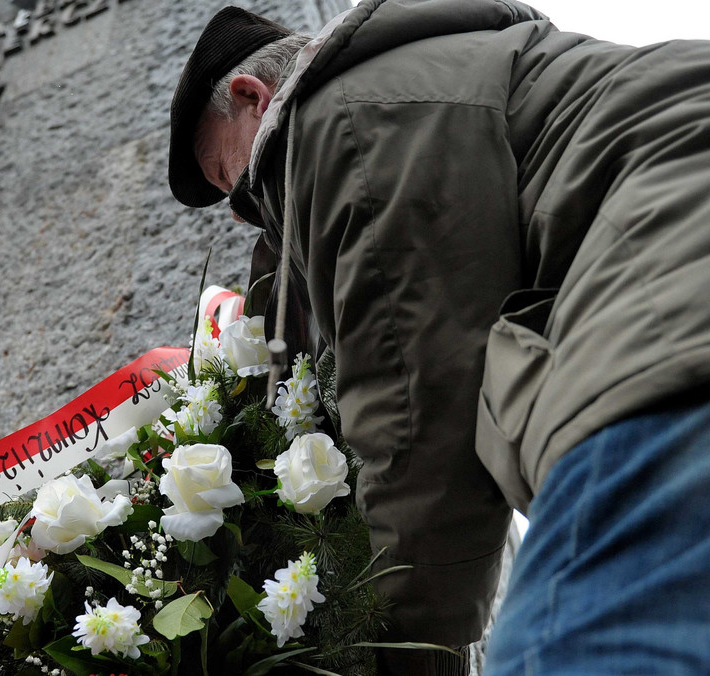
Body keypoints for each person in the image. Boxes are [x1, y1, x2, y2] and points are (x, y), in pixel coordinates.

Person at [168, 1, 710, 674]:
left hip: (676, 265)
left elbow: (418, 400)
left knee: (567, 646)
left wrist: (400, 649)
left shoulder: (343, 119)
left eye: (235, 179)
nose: (252, 211)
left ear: (254, 97)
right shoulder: (414, 81)